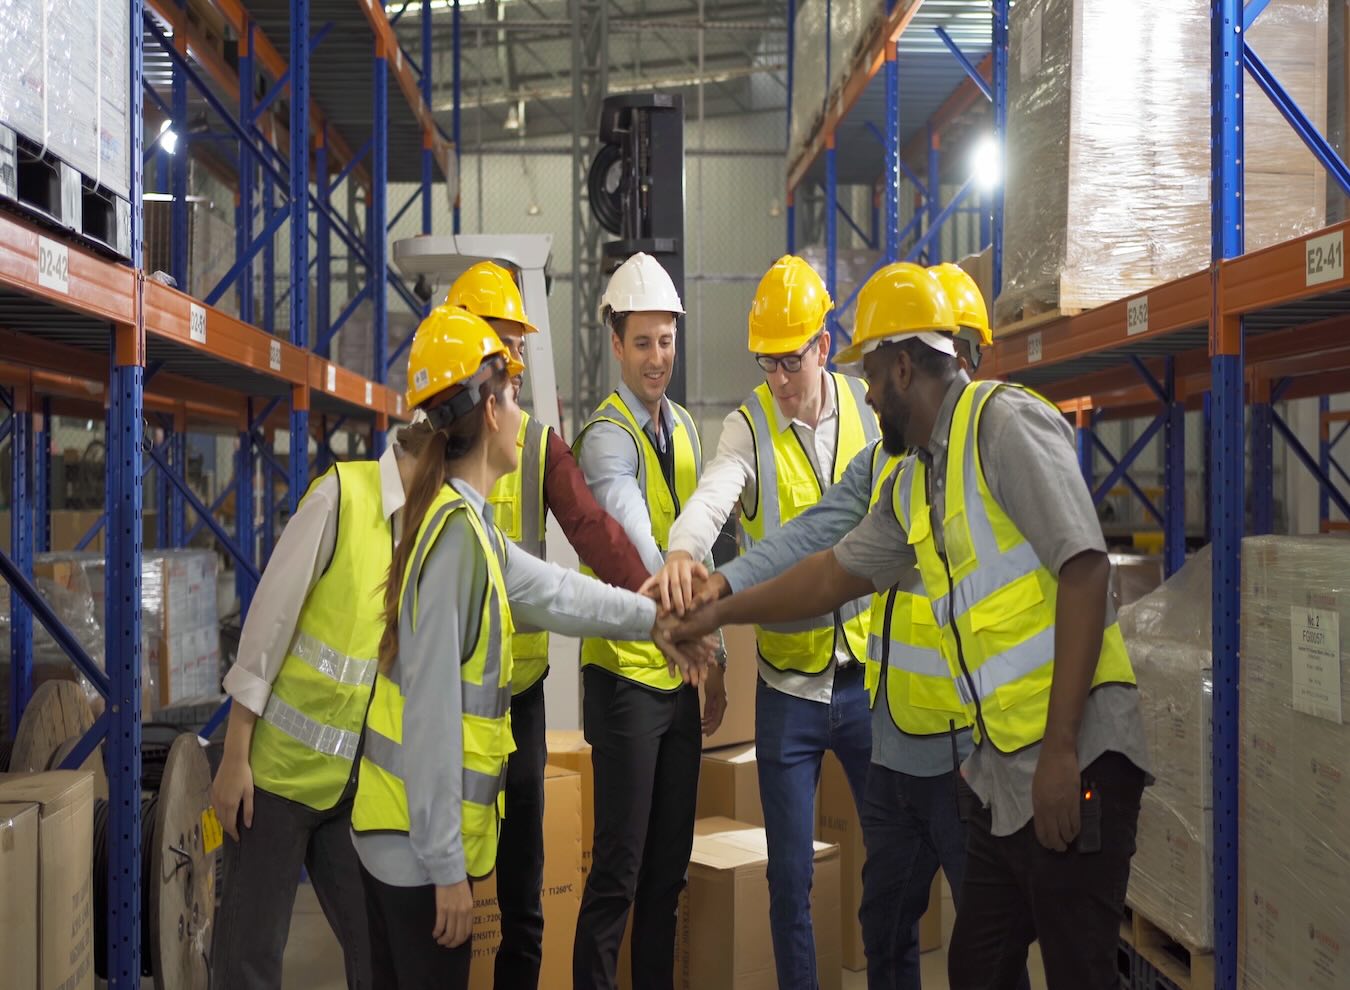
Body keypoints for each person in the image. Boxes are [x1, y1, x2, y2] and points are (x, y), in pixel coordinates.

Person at [665, 262, 1150, 990]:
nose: (861, 393)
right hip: (999, 767)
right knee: (978, 963)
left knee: (1078, 967)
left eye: (870, 375)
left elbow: (1086, 570)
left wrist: (1059, 751)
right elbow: (831, 569)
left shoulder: (1001, 423)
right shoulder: (915, 474)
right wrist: (719, 607)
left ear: (901, 368)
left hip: (1073, 751)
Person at [349, 306, 705, 989]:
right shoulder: (455, 537)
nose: (525, 412)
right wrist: (447, 868)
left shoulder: (468, 525)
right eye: (513, 394)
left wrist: (654, 623)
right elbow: (426, 719)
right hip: (413, 853)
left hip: (404, 840)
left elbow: (561, 594)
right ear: (488, 409)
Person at [647, 254, 877, 989]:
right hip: (789, 689)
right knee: (789, 880)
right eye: (764, 364)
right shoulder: (747, 427)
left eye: (789, 361)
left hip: (871, 682)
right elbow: (715, 497)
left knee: (897, 862)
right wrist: (685, 549)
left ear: (824, 346)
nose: (777, 380)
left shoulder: (873, 410)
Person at [444, 260, 650, 990]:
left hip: (517, 694)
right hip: (441, 702)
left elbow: (593, 533)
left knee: (522, 888)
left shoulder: (534, 442)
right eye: (506, 343)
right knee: (440, 887)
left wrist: (656, 599)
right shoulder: (423, 443)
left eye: (520, 347)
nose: (519, 361)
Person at [210, 392, 418, 988]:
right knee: (250, 960)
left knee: (378, 947)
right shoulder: (341, 496)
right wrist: (233, 754)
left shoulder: (422, 528)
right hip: (272, 783)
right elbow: (268, 626)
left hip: (348, 786)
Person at [570, 252, 727, 990]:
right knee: (618, 878)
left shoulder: (690, 430)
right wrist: (674, 579)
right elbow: (636, 536)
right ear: (615, 342)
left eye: (666, 341)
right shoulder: (605, 436)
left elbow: (705, 554)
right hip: (628, 684)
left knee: (667, 877)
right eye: (643, 343)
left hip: (681, 679)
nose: (657, 358)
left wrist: (716, 652)